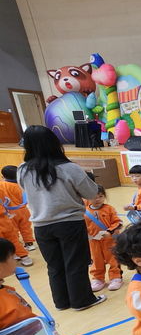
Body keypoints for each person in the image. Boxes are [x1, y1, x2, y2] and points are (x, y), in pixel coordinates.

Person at [17, 125, 105, 311]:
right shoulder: (69, 168)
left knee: (54, 266)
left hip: (41, 225)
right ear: (53, 143)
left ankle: (62, 302)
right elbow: (90, 193)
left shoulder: (23, 170)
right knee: (75, 262)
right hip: (69, 223)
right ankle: (81, 300)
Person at [84, 185, 123, 292]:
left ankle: (116, 277)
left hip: (110, 241)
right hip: (94, 242)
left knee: (113, 259)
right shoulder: (85, 212)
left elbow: (118, 222)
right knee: (96, 260)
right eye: (93, 197)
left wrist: (109, 231)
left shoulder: (109, 209)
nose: (97, 199)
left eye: (100, 196)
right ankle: (98, 278)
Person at [1, 165, 35, 251]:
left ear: (3, 176)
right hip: (24, 210)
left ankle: (16, 247)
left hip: (10, 211)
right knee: (26, 228)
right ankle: (29, 243)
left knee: (13, 230)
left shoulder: (2, 184)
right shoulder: (22, 185)